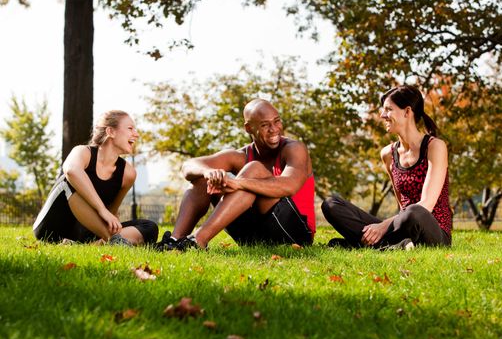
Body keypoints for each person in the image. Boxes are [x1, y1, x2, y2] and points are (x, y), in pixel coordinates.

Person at [155, 99, 315, 251]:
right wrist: (209, 172)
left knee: (254, 170)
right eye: (265, 125)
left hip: (296, 234)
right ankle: (174, 242)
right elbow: (188, 166)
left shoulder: (294, 148)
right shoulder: (241, 155)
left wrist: (239, 183)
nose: (274, 129)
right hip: (255, 235)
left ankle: (198, 241)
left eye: (277, 121)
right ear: (249, 128)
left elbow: (290, 185)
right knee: (203, 178)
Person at [322, 85, 452, 250]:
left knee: (414, 212)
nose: (382, 115)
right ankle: (396, 246)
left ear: (407, 112)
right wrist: (382, 226)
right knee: (331, 204)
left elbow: (427, 205)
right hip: (400, 227)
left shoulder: (434, 147)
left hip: (433, 232)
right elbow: (401, 205)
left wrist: (383, 226)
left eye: (388, 109)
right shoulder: (388, 154)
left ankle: (364, 245)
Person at [33, 110, 158, 246]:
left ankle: (92, 245)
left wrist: (109, 218)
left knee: (149, 227)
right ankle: (113, 240)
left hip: (87, 232)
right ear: (111, 131)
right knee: (68, 181)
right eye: (130, 128)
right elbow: (71, 170)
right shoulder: (82, 152)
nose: (136, 134)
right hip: (52, 228)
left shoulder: (128, 173)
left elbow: (112, 211)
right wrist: (101, 209)